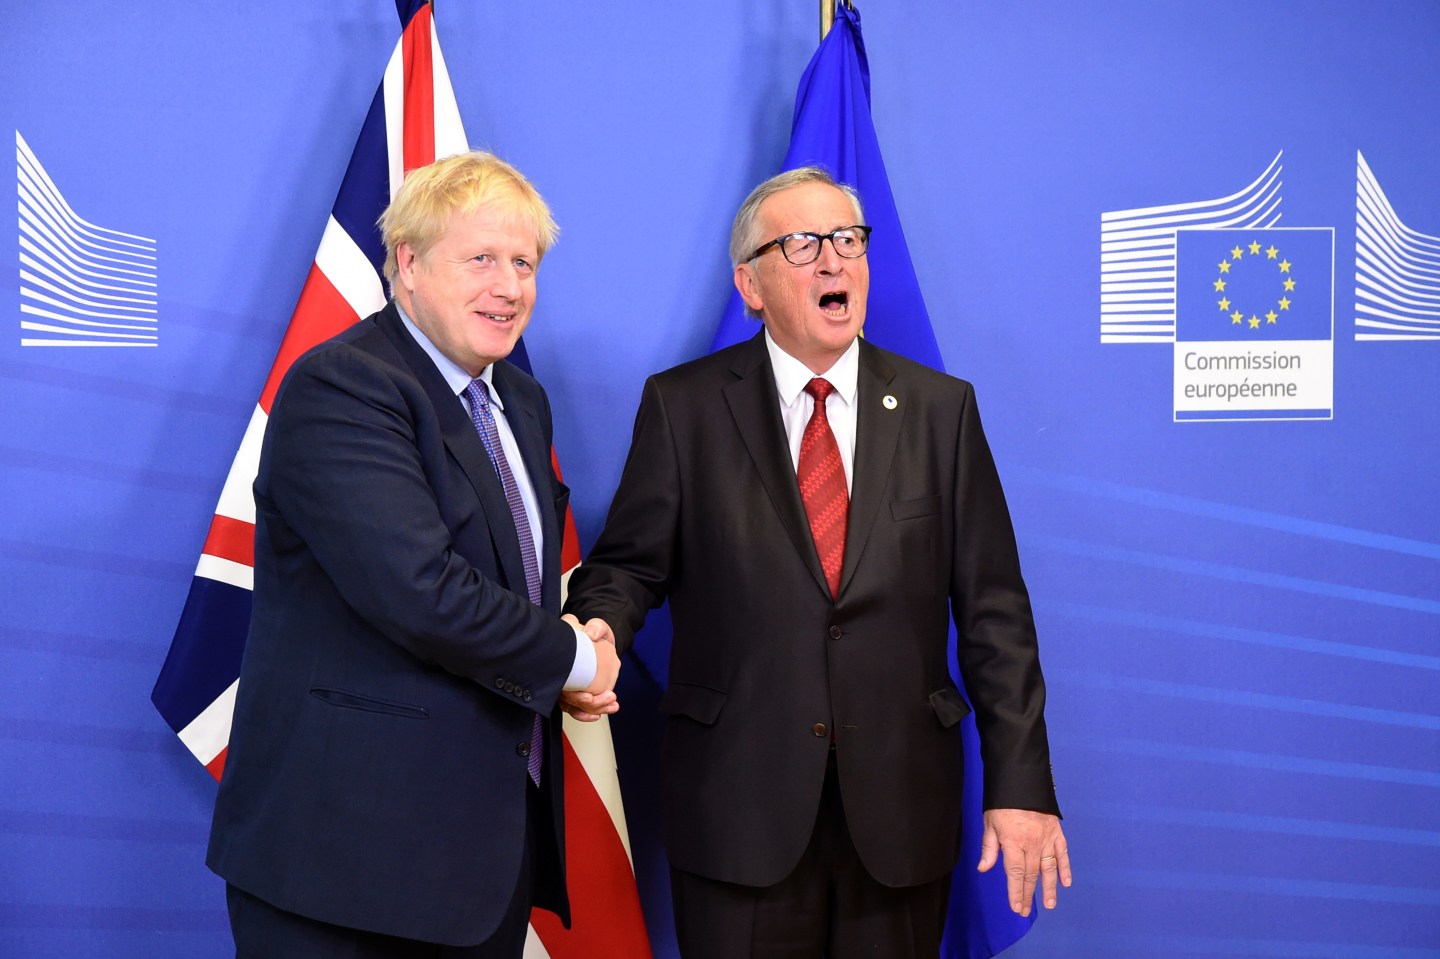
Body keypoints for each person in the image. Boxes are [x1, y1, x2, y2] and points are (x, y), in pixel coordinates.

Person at [562, 167, 1069, 958]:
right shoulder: (685, 406)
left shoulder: (942, 411)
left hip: (900, 814)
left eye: (847, 240)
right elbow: (628, 565)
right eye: (801, 244)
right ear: (751, 284)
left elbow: (996, 615)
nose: (834, 261)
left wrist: (1022, 787)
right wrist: (598, 628)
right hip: (738, 808)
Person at [207, 150, 619, 958]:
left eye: (524, 263)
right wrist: (572, 658)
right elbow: (421, 591)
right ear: (407, 262)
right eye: (481, 259)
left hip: (479, 864)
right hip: (347, 868)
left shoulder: (522, 402)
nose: (508, 287)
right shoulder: (344, 387)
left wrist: (559, 660)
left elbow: (516, 583)